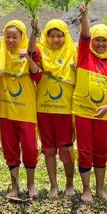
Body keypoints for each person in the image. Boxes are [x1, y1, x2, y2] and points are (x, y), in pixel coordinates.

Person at [0, 18, 42, 200]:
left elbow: (37, 75)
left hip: (26, 112)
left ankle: (31, 184)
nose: (10, 40)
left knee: (30, 148)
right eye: (7, 36)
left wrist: (28, 57)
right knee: (10, 149)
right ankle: (15, 185)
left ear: (22, 37)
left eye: (14, 37)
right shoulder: (0, 51)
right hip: (6, 112)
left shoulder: (29, 51)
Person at [73, 4, 107, 204]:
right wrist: (84, 17)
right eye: (97, 40)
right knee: (85, 152)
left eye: (104, 40)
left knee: (101, 151)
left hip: (104, 115)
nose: (100, 44)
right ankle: (86, 190)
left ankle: (100, 189)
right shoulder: (84, 55)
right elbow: (84, 37)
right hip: (83, 113)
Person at [32, 18, 77, 198]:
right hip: (44, 108)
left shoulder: (73, 52)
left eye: (60, 36)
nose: (56, 40)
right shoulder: (40, 51)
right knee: (48, 149)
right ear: (46, 36)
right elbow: (31, 54)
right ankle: (53, 186)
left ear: (66, 36)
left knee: (66, 149)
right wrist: (34, 30)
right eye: (52, 36)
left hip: (65, 110)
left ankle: (70, 184)